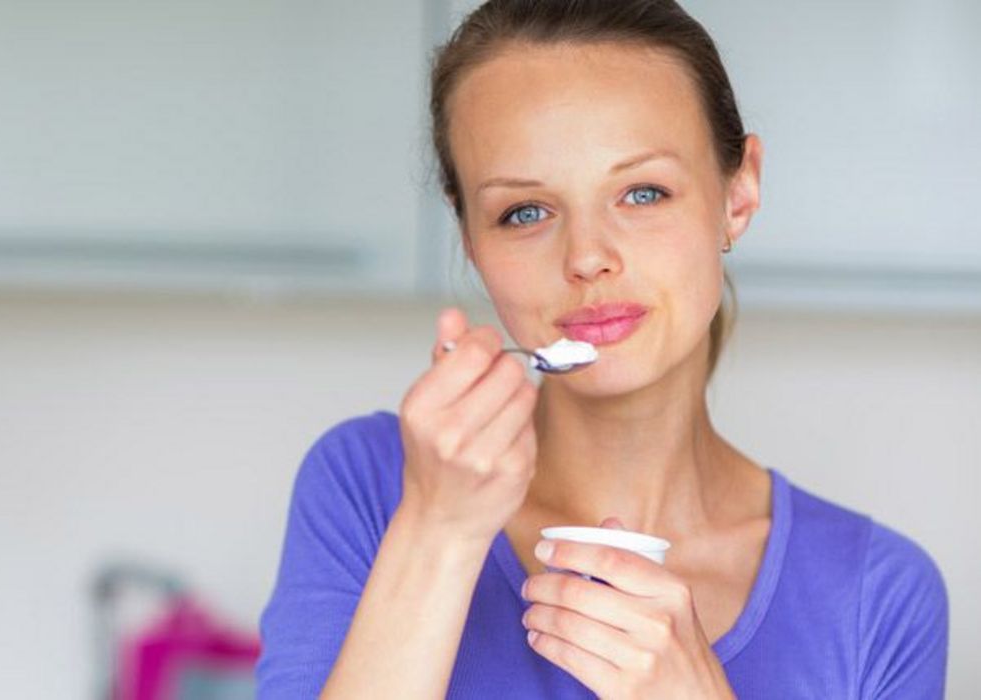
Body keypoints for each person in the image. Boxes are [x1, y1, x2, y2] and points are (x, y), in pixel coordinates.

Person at [255, 0, 950, 697]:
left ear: (737, 194)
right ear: (469, 237)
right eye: (523, 212)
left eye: (643, 193)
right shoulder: (369, 486)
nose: (587, 257)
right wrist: (438, 531)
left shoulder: (876, 595)